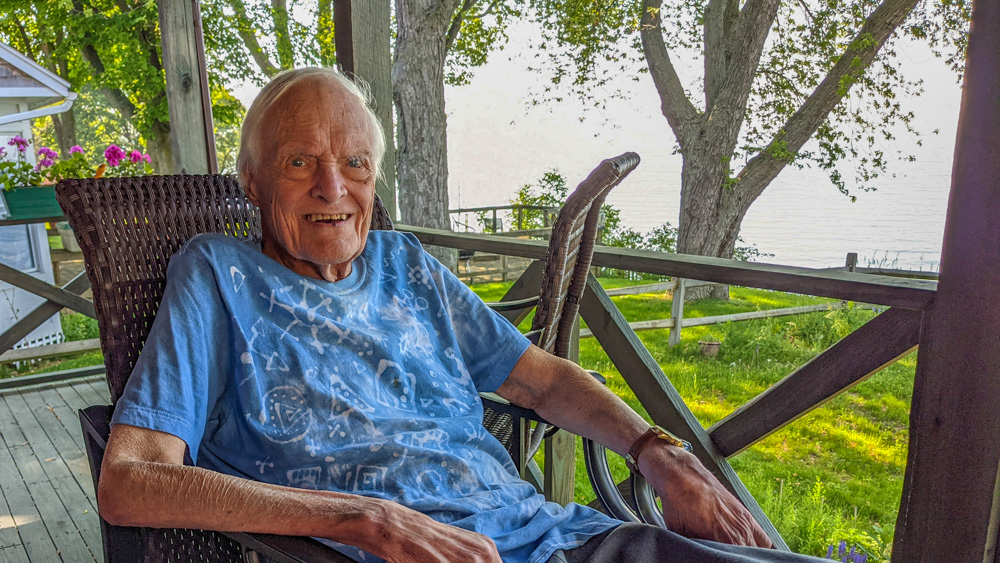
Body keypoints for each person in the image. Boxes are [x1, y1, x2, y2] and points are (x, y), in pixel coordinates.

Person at [98, 67, 821, 563]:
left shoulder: (404, 263)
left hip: (558, 536)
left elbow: (540, 381)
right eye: (299, 162)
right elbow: (129, 479)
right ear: (251, 181)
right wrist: (364, 519)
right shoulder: (218, 274)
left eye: (354, 162)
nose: (333, 185)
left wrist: (659, 450)